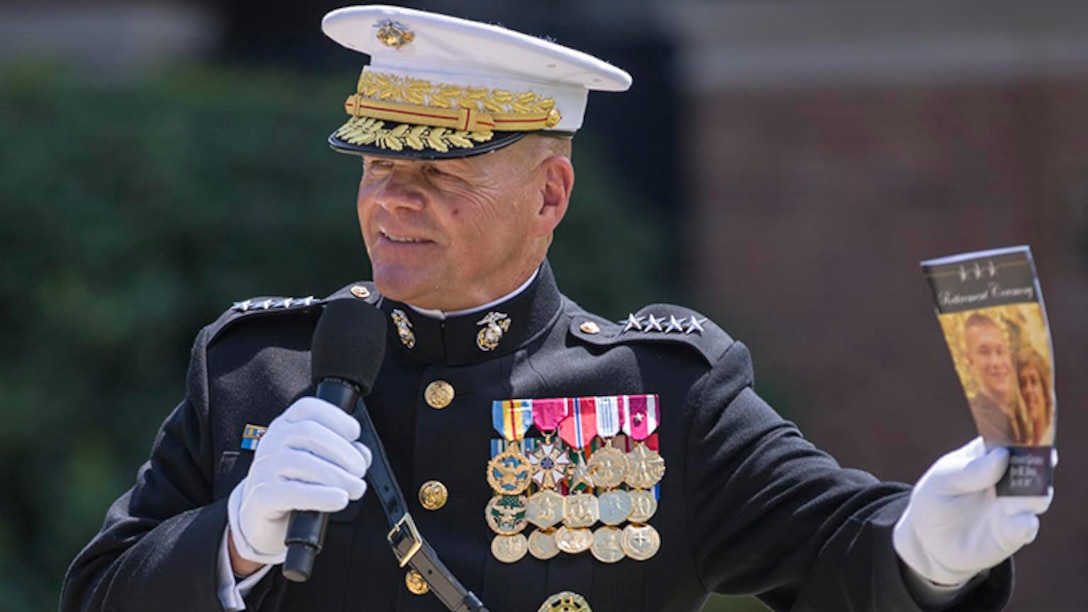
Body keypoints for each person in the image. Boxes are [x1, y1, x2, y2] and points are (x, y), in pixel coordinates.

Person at [61, 6, 1053, 611]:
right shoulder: (253, 371)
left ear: (549, 196)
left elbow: (839, 552)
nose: (393, 197)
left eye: (440, 170)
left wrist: (925, 548)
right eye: (374, 163)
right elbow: (99, 596)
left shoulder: (663, 395)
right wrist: (231, 539)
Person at [962, 313, 1032, 446]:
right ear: (970, 360)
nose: (996, 362)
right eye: (984, 352)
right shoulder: (972, 418)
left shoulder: (1028, 410)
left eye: (1000, 351)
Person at [1017, 347, 1054, 446]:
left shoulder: (1054, 438)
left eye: (1033, 381)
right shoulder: (1025, 446)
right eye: (1023, 383)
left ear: (1045, 391)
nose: (1028, 390)